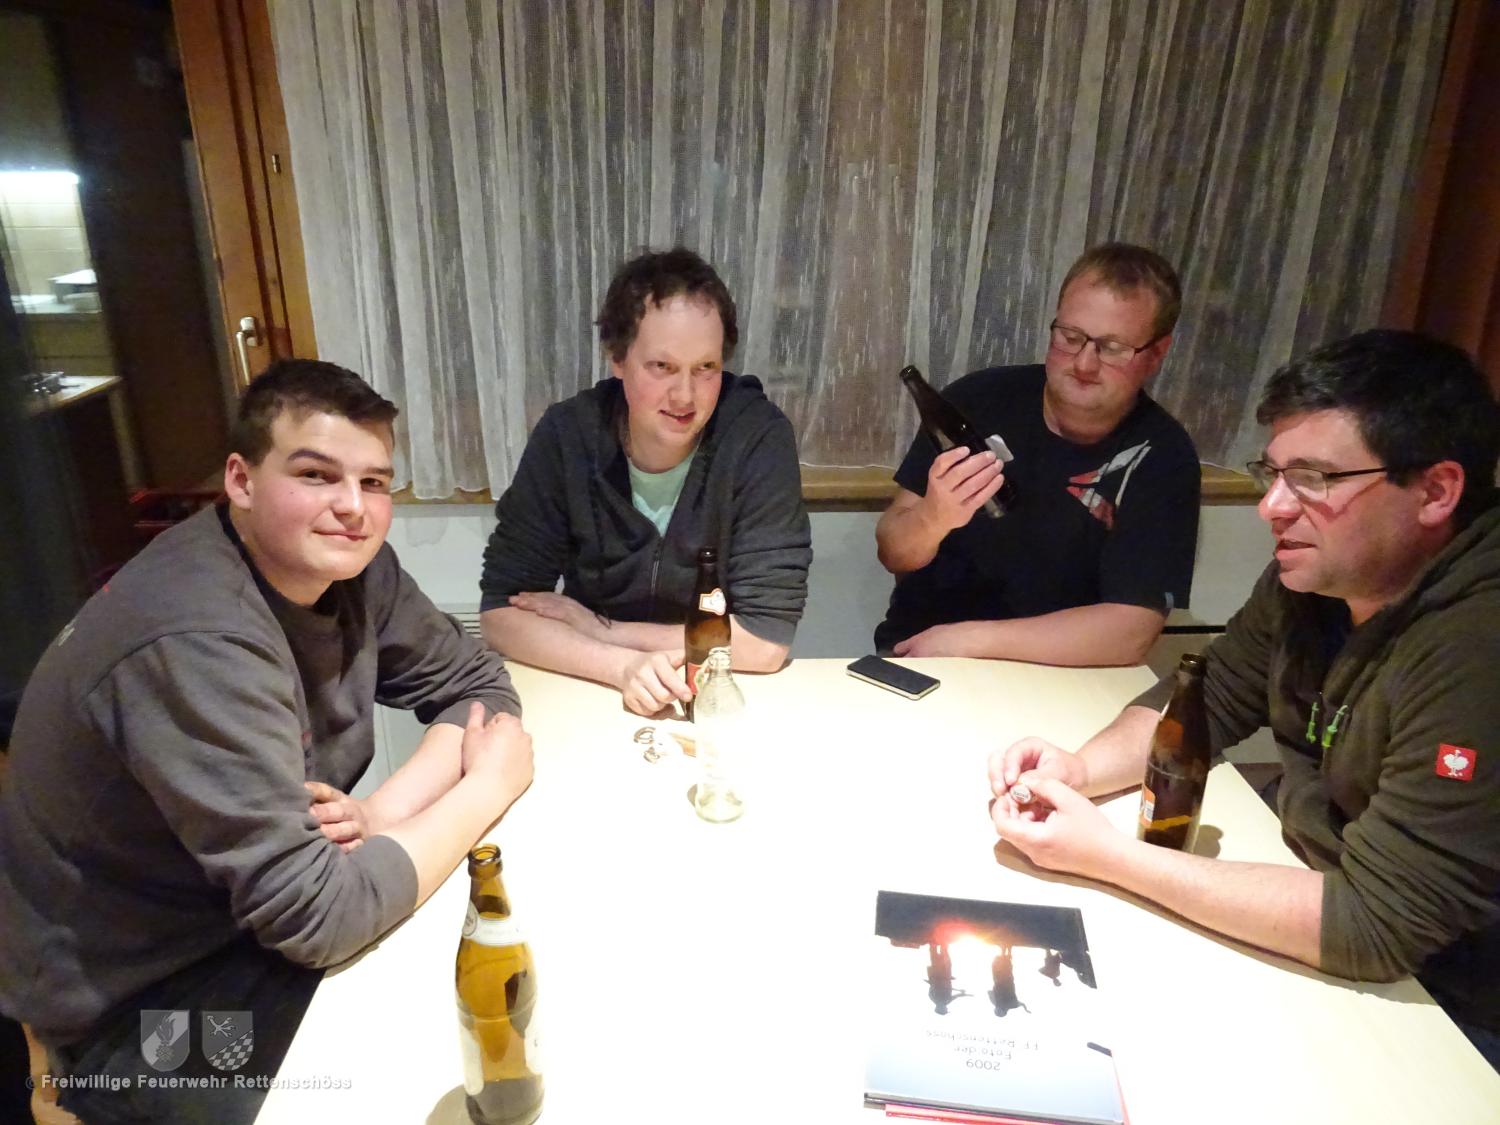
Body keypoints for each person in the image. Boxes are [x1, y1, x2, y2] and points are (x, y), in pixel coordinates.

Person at [0, 359, 534, 1122]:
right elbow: (320, 917)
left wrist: (382, 812)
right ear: (241, 480)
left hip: (253, 925)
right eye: (316, 475)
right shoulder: (196, 631)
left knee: (472, 986)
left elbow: (476, 685)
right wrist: (488, 785)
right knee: (397, 1073)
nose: (352, 507)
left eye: (374, 482)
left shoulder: (356, 569)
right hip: (136, 1011)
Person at [989, 330, 1500, 1063]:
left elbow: (1374, 927)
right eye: (1274, 473)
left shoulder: (1476, 643)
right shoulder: (1322, 576)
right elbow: (1212, 694)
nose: (1272, 507)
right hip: (1323, 889)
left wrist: (1104, 855)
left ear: (1436, 491)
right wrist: (1080, 768)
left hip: (1450, 999)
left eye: (1314, 478)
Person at [479, 248, 812, 716]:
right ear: (617, 359)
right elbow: (501, 613)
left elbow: (764, 642)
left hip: (716, 689)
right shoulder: (569, 434)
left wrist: (605, 630)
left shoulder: (756, 436)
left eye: (705, 368)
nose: (685, 395)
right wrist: (619, 666)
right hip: (591, 683)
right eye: (662, 367)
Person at [874, 243, 1200, 665]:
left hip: (1064, 671)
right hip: (921, 654)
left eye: (1112, 347)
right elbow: (893, 552)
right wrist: (933, 519)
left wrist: (971, 641)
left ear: (1156, 354)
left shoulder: (1163, 455)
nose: (1084, 363)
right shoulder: (977, 400)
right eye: (1071, 337)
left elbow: (1130, 631)